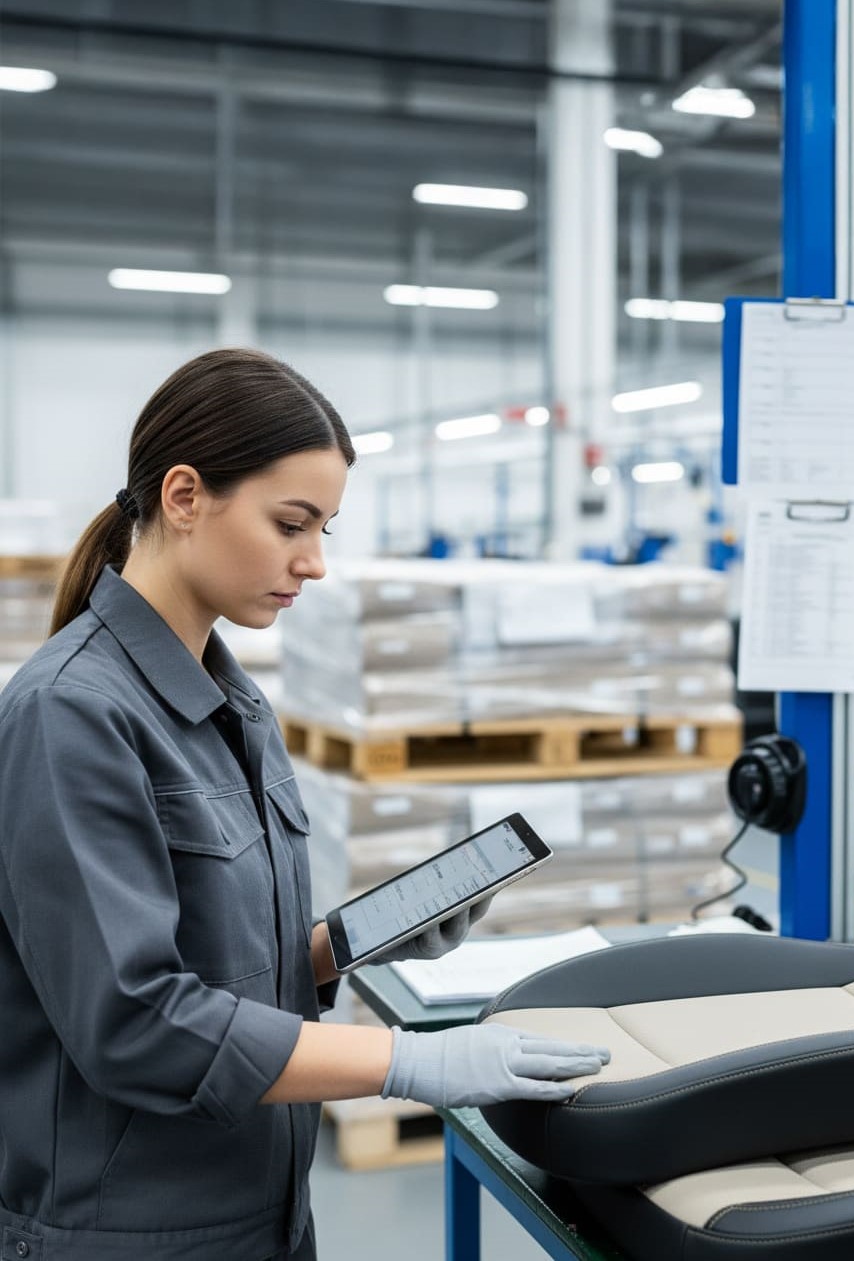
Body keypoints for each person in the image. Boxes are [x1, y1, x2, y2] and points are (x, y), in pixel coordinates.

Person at [0, 348, 610, 1261]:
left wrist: (341, 947)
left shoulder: (232, 705)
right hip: (129, 1229)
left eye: (324, 527)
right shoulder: (72, 715)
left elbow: (212, 957)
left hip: (262, 1209)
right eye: (292, 523)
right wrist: (410, 1061)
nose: (314, 562)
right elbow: (134, 1020)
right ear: (183, 495)